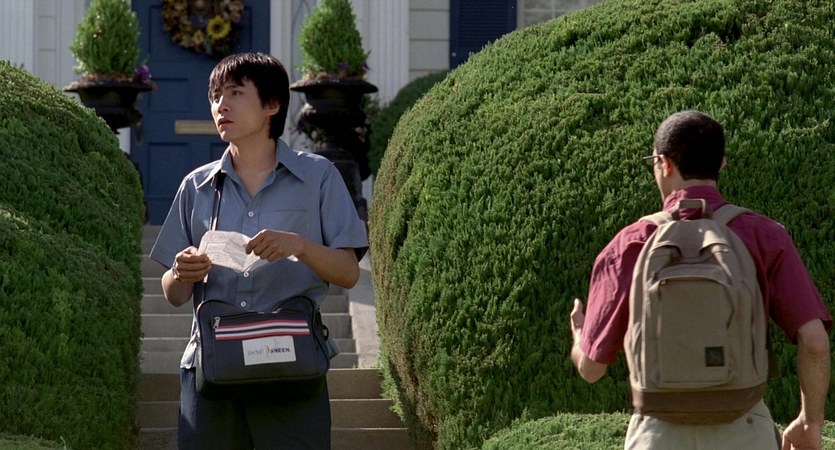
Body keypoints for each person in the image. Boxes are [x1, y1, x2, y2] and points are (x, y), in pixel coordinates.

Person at [569, 110, 831, 450]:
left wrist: (579, 339)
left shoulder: (630, 244)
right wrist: (810, 421)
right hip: (745, 428)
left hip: (658, 433)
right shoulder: (764, 236)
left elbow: (592, 369)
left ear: (664, 163)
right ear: (721, 164)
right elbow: (814, 342)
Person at [150, 52, 368, 449]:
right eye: (215, 96)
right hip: (211, 371)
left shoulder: (319, 177)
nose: (221, 105)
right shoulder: (195, 186)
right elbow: (174, 294)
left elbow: (349, 272)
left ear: (272, 105)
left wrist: (299, 246)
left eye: (235, 93)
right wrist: (182, 273)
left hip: (292, 368)